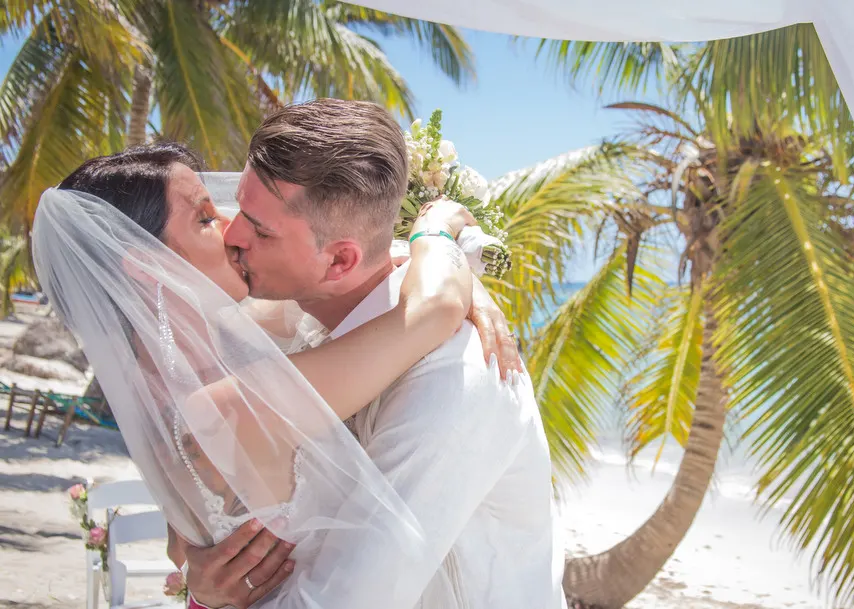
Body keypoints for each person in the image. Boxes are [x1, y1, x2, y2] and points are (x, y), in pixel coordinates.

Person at [32, 137, 535, 608]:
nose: (233, 227)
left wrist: (464, 276)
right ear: (147, 266)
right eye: (205, 218)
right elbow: (431, 309)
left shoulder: (218, 349)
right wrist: (437, 229)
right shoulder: (219, 405)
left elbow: (353, 276)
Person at [178, 99, 566, 609]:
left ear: (341, 260)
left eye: (259, 227)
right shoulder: (308, 319)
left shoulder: (452, 383)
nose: (232, 234)